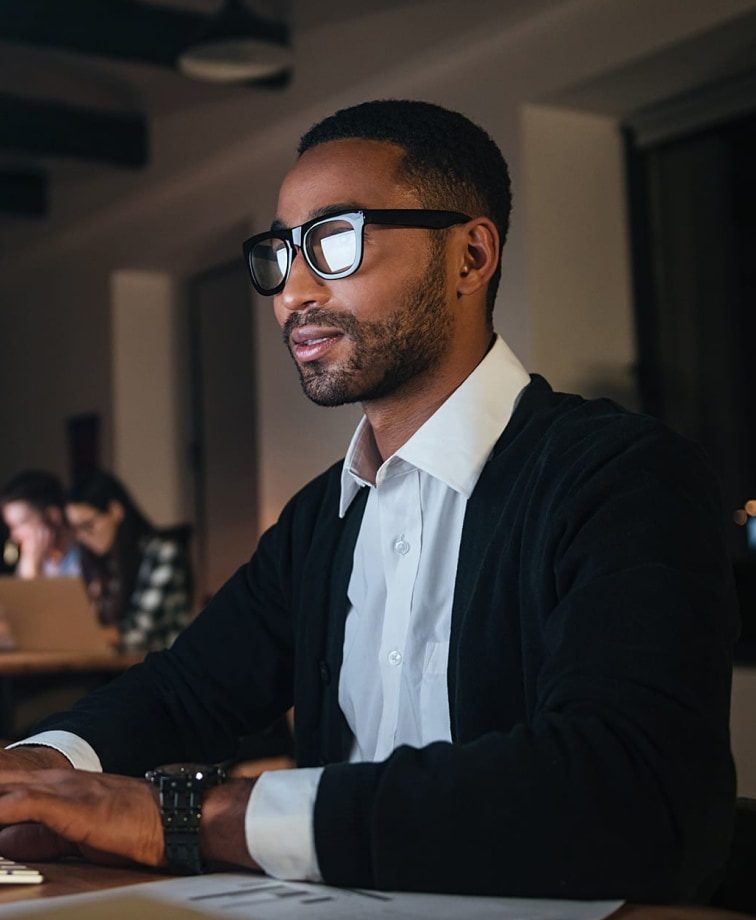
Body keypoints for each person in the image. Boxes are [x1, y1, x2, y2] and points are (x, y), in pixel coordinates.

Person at [0, 100, 738, 903]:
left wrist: (187, 816)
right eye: (281, 253)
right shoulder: (321, 518)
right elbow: (186, 691)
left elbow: (623, 787)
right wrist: (35, 770)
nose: (292, 292)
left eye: (334, 241)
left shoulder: (622, 479)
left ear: (470, 254)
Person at [64, 471, 192, 652]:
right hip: (115, 668)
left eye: (87, 526)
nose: (82, 537)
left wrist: (86, 636)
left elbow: (141, 632)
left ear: (115, 511)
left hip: (162, 669)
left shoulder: (163, 553)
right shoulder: (103, 563)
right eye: (75, 529)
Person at [0, 470, 81, 579]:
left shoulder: (84, 561)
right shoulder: (29, 560)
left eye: (22, 523)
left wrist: (33, 572)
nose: (14, 536)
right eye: (12, 526)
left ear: (54, 516)